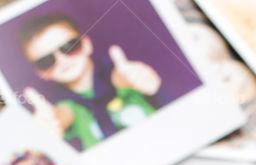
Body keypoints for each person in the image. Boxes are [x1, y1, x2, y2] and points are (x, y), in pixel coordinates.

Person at [18, 12, 161, 151]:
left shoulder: (119, 73)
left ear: (86, 44)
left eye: (69, 47)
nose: (62, 60)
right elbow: (63, 114)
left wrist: (137, 77)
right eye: (46, 61)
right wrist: (51, 123)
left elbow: (119, 79)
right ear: (41, 73)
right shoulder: (65, 105)